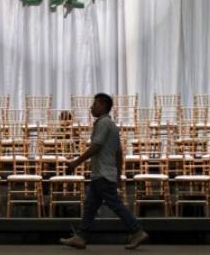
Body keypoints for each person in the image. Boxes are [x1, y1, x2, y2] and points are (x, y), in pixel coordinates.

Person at [59, 93, 149, 250]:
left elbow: (96, 147)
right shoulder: (112, 125)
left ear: (102, 106)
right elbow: (119, 153)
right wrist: (119, 174)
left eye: (94, 104)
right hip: (104, 173)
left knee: (115, 204)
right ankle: (81, 237)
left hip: (102, 174)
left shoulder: (103, 124)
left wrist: (75, 162)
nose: (91, 107)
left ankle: (137, 231)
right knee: (90, 206)